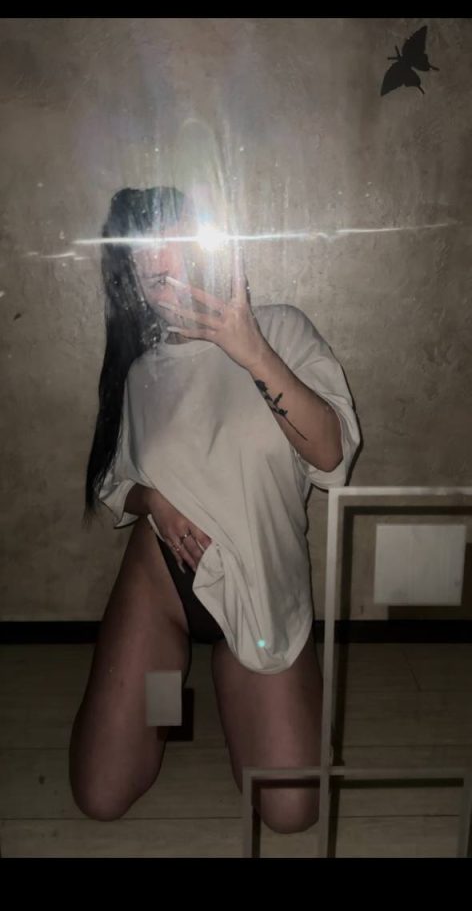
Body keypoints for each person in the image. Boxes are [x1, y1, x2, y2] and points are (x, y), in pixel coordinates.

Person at [68, 186, 361, 835]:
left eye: (172, 238)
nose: (157, 260)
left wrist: (248, 348)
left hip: (259, 589)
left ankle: (243, 683)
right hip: (164, 583)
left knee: (290, 812)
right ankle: (166, 700)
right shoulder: (142, 373)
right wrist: (153, 501)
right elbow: (115, 481)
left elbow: (332, 457)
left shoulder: (280, 328)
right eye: (140, 251)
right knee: (102, 794)